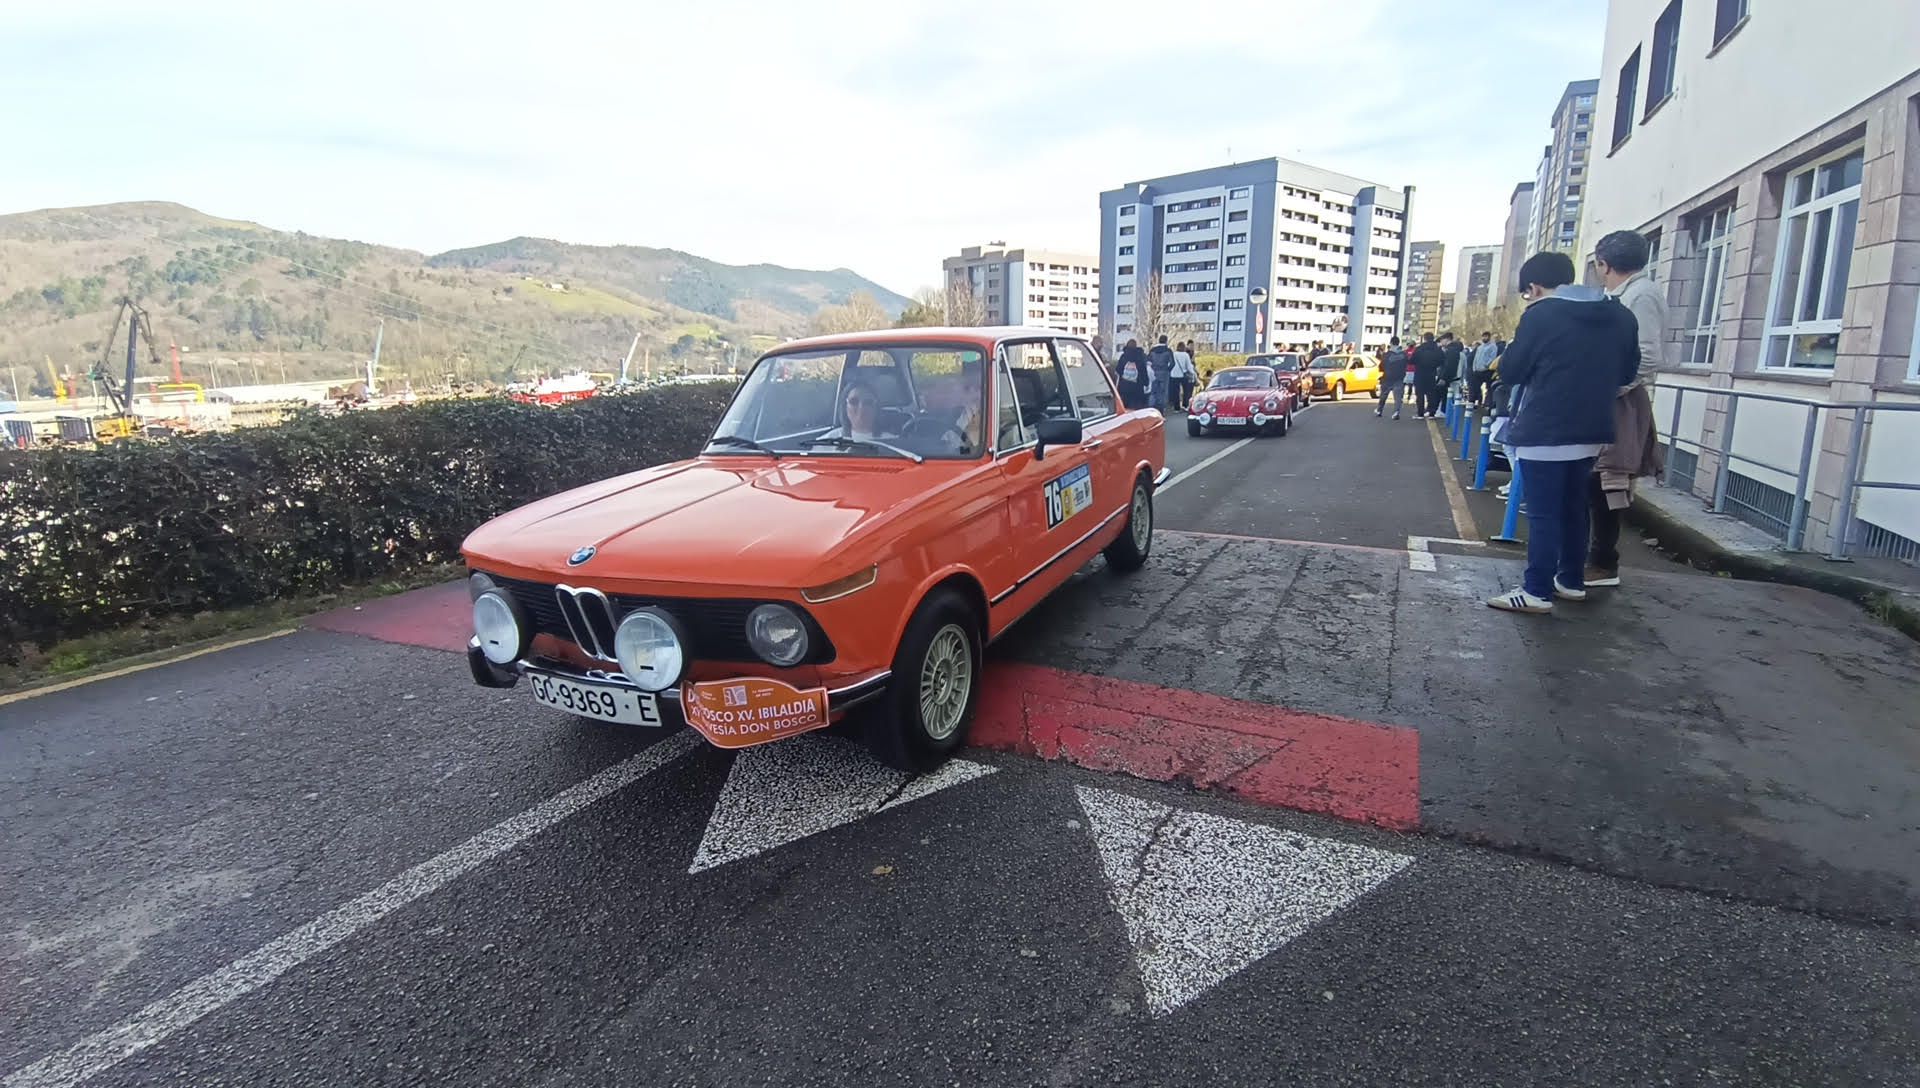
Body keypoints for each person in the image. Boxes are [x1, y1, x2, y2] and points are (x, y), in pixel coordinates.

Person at [1485, 251, 1640, 615]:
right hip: (1594, 425)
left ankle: (1536, 589)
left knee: (1543, 512)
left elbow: (1513, 370)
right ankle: (1570, 580)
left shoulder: (1541, 314)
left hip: (1546, 425)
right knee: (1574, 507)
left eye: (1527, 293)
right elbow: (1628, 371)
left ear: (1535, 287)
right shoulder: (1619, 313)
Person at [1588, 230, 1670, 589]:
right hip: (1613, 395)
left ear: (1603, 264)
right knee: (1596, 478)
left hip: (1619, 400)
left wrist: (1608, 390)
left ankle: (1603, 562)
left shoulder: (1641, 295)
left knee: (1608, 478)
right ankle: (1596, 557)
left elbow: (1647, 356)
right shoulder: (1622, 294)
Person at [1410, 333, 1445, 418]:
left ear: (1424, 339)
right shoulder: (1437, 349)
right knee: (1431, 394)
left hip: (1419, 374)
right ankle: (1431, 413)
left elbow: (1411, 361)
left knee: (1420, 395)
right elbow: (1442, 361)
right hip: (1432, 374)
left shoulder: (1419, 349)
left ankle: (1420, 413)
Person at [1375, 336, 1409, 420]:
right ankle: (1396, 412)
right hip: (1399, 378)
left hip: (1388, 378)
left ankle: (1379, 410)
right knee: (1398, 398)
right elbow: (1406, 364)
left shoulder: (1387, 355)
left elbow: (1381, 366)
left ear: (1391, 343)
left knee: (1383, 396)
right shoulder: (1404, 354)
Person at [1114, 339, 1149, 409]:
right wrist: (1146, 382)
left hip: (1124, 387)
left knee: (1125, 407)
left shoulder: (1123, 357)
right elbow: (1143, 371)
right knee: (1136, 407)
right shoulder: (1140, 357)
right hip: (1137, 387)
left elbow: (1118, 369)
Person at [1468, 331, 1498, 406]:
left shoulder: (1493, 346)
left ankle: (1488, 404)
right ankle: (1474, 401)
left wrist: (1486, 365)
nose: (1484, 338)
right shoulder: (1480, 347)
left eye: (1486, 336)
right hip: (1477, 370)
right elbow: (1476, 358)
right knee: (1474, 387)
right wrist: (1474, 367)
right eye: (1483, 336)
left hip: (1487, 371)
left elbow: (1492, 357)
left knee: (1489, 387)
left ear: (1489, 337)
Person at [1147, 335, 1176, 412]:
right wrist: (1167, 370)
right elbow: (1172, 363)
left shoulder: (1152, 350)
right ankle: (1161, 409)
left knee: (1153, 391)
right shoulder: (1168, 350)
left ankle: (1151, 408)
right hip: (1164, 373)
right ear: (1166, 341)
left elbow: (1148, 362)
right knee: (1163, 391)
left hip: (1154, 372)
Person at [1171, 340, 1197, 412]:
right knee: (1186, 391)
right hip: (1183, 375)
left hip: (1174, 375)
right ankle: (1185, 405)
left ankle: (1176, 408)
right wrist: (1193, 373)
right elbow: (1189, 366)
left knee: (1176, 392)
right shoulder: (1185, 355)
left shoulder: (1173, 354)